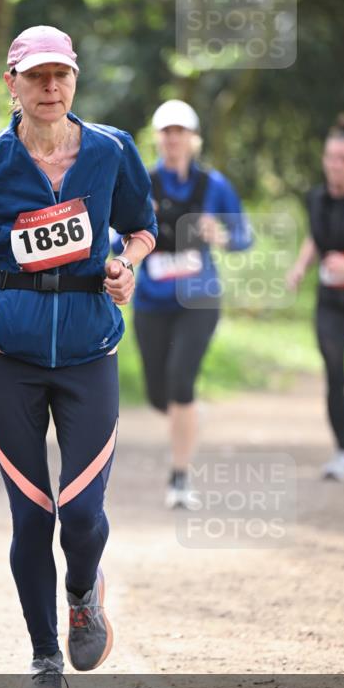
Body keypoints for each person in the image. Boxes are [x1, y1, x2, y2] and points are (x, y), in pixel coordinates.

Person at [0, 26, 157, 688]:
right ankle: (45, 655)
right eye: (36, 77)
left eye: (61, 75)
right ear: (11, 85)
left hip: (88, 350)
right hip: (8, 352)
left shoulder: (110, 150)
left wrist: (124, 264)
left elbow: (142, 227)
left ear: (74, 79)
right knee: (32, 515)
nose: (50, 87)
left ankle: (82, 595)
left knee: (80, 511)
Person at [113, 99, 252, 508]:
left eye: (181, 132)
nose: (173, 139)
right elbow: (112, 236)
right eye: (167, 132)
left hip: (199, 301)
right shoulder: (142, 183)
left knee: (180, 382)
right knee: (160, 397)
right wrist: (126, 242)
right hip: (152, 302)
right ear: (157, 139)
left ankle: (179, 478)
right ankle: (188, 416)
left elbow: (244, 236)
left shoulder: (214, 185)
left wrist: (220, 235)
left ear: (194, 139)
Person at [287, 114, 344, 481]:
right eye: (330, 158)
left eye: (343, 159)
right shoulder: (316, 198)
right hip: (331, 302)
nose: (335, 165)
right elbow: (316, 239)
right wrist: (300, 266)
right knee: (334, 373)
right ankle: (342, 454)